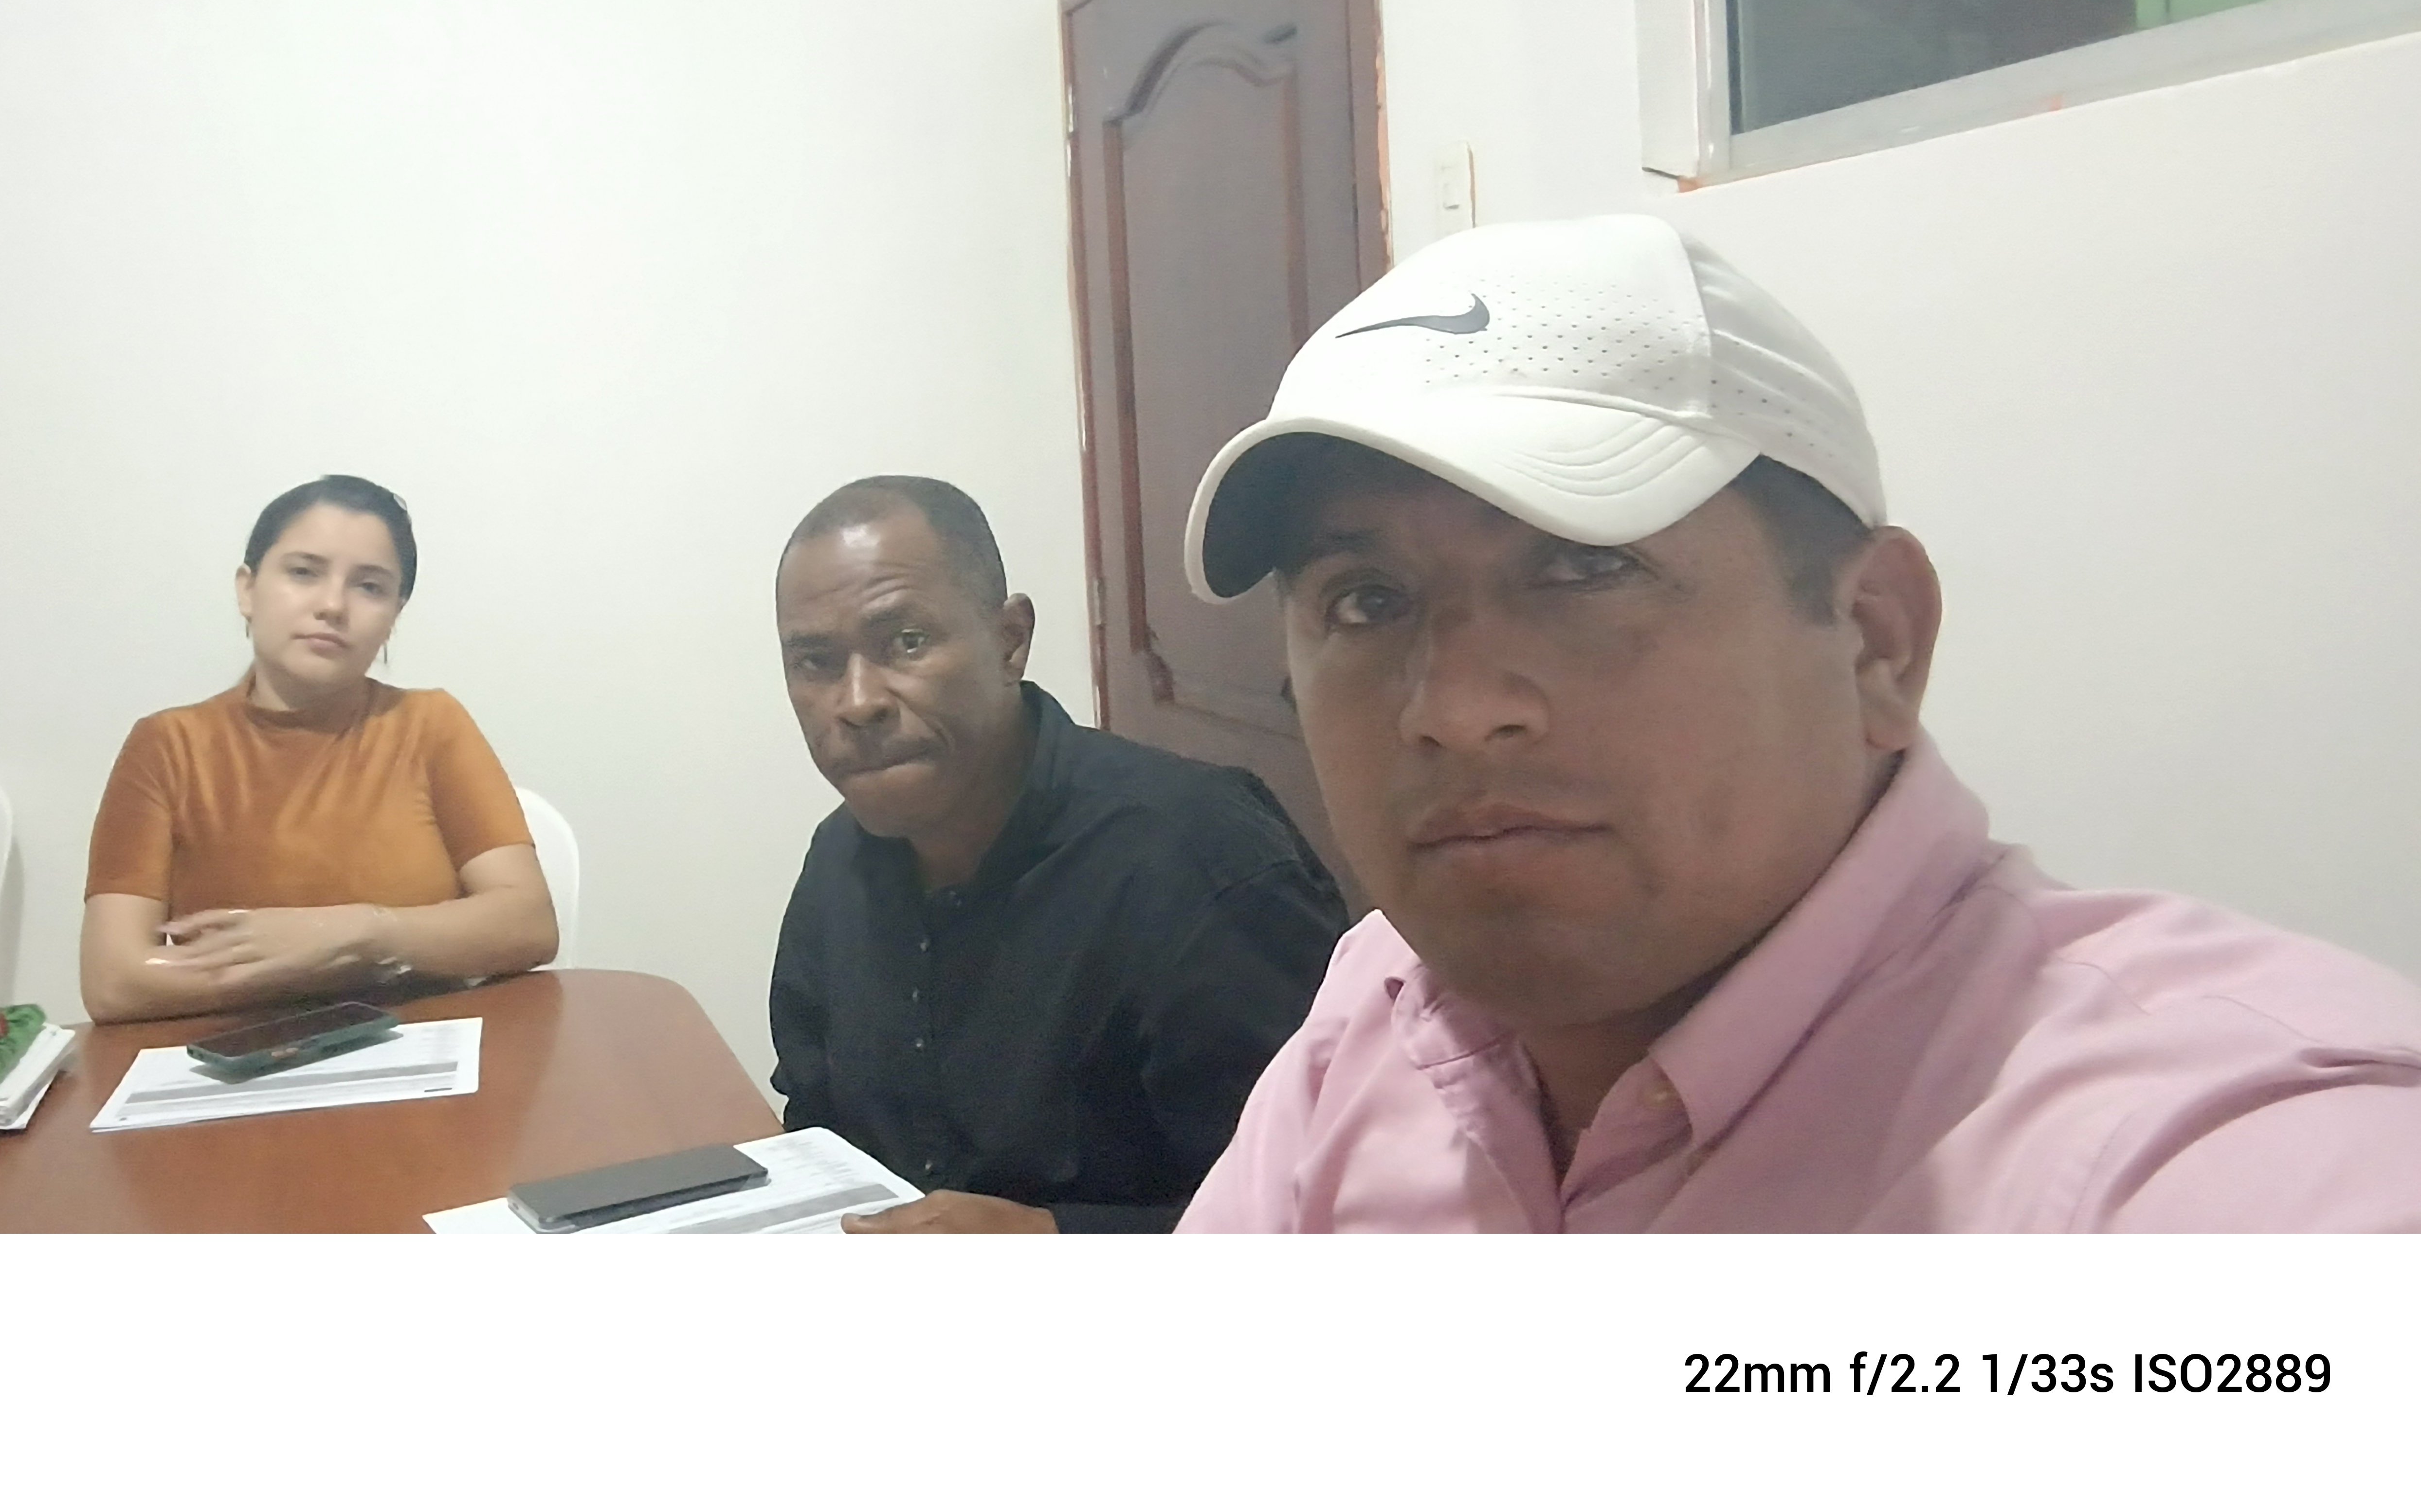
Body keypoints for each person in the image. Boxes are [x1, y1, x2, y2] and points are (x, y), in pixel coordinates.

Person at [1174, 214, 2421, 1231]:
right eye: (1365, 600)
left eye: (1586, 570)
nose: (1452, 710)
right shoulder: (1378, 1015)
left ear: (1877, 639)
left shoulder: (2224, 1145)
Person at [768, 476, 1347, 1232]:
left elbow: (1322, 1212)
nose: (857, 702)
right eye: (816, 663)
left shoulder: (1202, 866)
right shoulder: (839, 862)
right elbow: (817, 1132)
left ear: (1010, 641)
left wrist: (1052, 1238)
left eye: (906, 642)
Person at [79, 476, 556, 1023]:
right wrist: (324, 963)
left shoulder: (430, 725)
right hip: (235, 1057)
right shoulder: (169, 747)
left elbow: (527, 921)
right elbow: (114, 979)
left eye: (369, 587)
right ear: (248, 590)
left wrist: (356, 933)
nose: (332, 605)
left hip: (420, 1047)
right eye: (304, 572)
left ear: (394, 615)